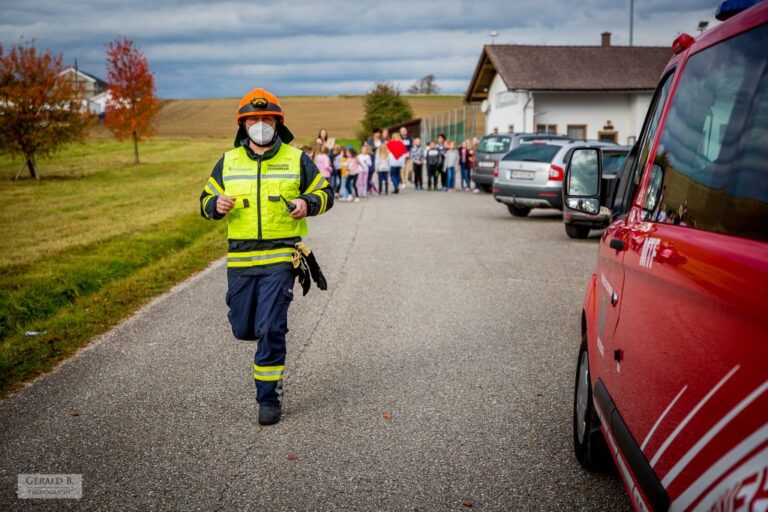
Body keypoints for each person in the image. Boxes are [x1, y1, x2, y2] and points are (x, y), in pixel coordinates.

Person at [198, 88, 334, 426]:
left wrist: (307, 203)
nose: (260, 125)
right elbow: (205, 200)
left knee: (271, 327)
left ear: (278, 123)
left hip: (280, 257)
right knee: (244, 328)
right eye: (253, 120)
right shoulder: (227, 162)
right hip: (241, 261)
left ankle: (268, 396)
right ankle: (261, 341)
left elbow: (325, 192)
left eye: (267, 119)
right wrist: (215, 205)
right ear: (243, 125)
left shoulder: (296, 158)